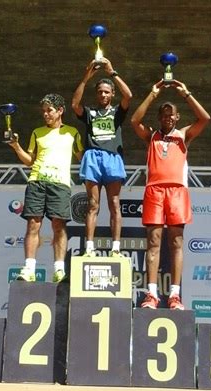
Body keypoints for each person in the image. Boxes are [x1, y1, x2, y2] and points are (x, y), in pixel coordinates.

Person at [131, 79, 211, 310]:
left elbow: (204, 118)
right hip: (155, 190)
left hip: (177, 191)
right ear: (159, 118)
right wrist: (152, 94)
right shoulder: (151, 136)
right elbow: (135, 120)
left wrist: (186, 93)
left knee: (176, 241)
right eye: (163, 115)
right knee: (153, 242)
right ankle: (152, 295)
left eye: (171, 115)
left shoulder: (183, 135)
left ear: (177, 118)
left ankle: (175, 295)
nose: (167, 118)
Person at [8, 94, 83, 282]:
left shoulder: (72, 133)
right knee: (33, 224)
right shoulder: (37, 132)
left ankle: (59, 270)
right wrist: (16, 146)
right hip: (37, 181)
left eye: (49, 110)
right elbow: (30, 162)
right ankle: (29, 269)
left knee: (59, 226)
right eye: (44, 111)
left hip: (61, 183)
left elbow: (83, 158)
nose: (46, 115)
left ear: (60, 111)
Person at [72, 57, 132, 257]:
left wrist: (112, 71)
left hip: (113, 158)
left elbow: (129, 96)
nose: (103, 94)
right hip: (92, 158)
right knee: (92, 204)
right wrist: (86, 78)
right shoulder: (90, 113)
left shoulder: (117, 112)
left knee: (114, 203)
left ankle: (115, 248)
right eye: (100, 92)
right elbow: (74, 104)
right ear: (96, 95)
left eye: (107, 92)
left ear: (112, 94)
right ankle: (89, 248)